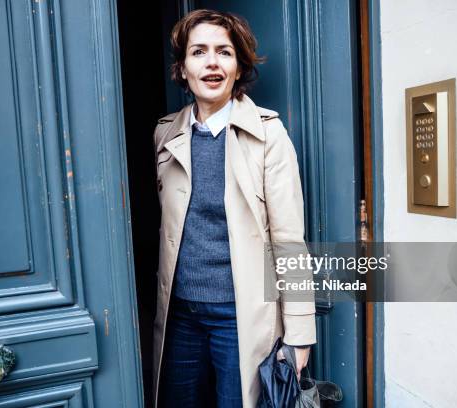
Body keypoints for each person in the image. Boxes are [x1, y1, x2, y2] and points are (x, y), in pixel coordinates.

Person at [152, 9, 317, 408]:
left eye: (224, 52)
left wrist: (298, 335)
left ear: (239, 66)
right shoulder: (165, 133)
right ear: (183, 67)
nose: (212, 62)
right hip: (180, 314)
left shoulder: (269, 135)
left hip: (240, 315)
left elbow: (289, 241)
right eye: (199, 52)